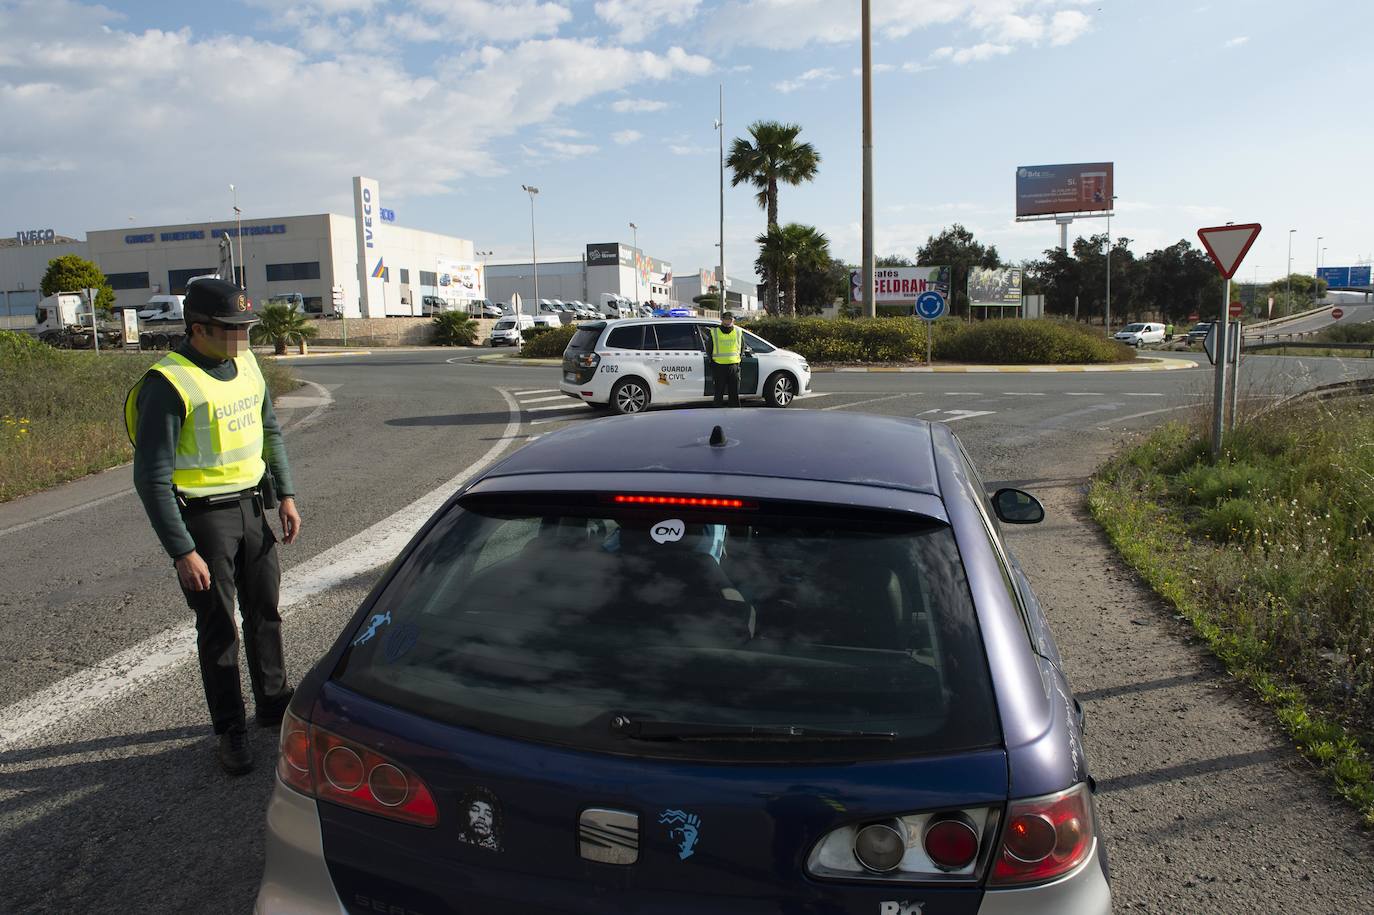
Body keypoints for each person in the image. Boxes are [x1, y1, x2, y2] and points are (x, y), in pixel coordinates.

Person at [124, 278, 301, 776]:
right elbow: (151, 477)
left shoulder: (245, 363)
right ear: (197, 328)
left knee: (265, 611)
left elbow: (269, 431)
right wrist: (182, 551)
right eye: (231, 329)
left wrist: (285, 495)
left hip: (252, 509)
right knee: (219, 629)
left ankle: (272, 703)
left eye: (247, 327)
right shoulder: (169, 383)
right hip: (203, 520)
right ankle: (231, 730)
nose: (243, 337)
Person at [705, 311, 742, 407]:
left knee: (734, 393)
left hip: (734, 366)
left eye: (730, 319)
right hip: (719, 366)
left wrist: (738, 360)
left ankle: (735, 414)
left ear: (733, 320)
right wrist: (712, 361)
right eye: (726, 319)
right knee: (718, 393)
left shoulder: (738, 331)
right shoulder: (715, 332)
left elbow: (742, 347)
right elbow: (709, 348)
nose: (728, 321)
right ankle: (717, 414)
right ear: (722, 320)